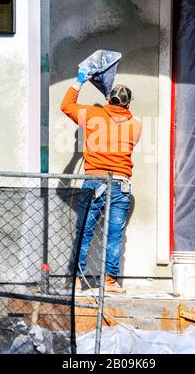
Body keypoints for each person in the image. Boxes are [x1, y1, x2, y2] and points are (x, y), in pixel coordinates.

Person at [60, 67, 142, 294]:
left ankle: (76, 279)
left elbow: (66, 105)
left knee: (85, 230)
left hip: (94, 182)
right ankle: (109, 281)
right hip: (120, 184)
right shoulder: (135, 124)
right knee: (115, 234)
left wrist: (79, 82)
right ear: (127, 104)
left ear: (109, 100)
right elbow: (124, 122)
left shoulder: (90, 115)